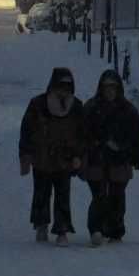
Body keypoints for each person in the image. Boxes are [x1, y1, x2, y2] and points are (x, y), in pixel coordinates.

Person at [19, 68, 86, 247]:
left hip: (65, 160)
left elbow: (82, 134)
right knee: (41, 193)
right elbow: (26, 130)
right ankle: (41, 224)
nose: (62, 92)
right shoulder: (38, 104)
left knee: (63, 196)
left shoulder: (76, 107)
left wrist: (78, 155)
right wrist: (25, 155)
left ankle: (62, 229)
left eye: (66, 89)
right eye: (59, 88)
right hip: (41, 157)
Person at [83, 69, 139, 247]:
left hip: (120, 160)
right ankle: (96, 230)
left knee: (117, 197)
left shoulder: (128, 111)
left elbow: (136, 136)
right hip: (97, 158)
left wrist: (138, 157)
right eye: (107, 88)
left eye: (113, 88)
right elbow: (82, 134)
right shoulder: (91, 108)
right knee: (98, 196)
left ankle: (115, 229)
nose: (109, 92)